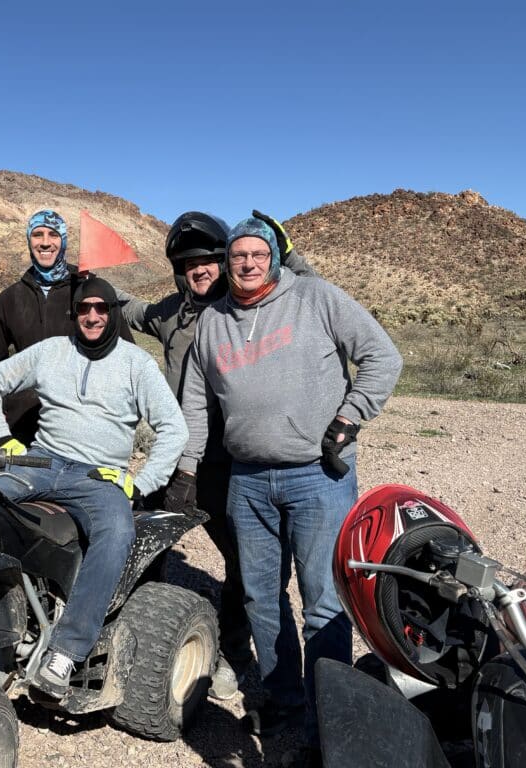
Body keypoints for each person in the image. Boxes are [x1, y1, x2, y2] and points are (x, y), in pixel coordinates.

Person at [172, 215, 402, 763]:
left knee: (323, 601)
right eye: (236, 257)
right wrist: (185, 469)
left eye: (256, 254)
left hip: (317, 476)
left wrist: (348, 421)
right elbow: (198, 402)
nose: (246, 264)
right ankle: (283, 700)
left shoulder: (317, 298)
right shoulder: (213, 320)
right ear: (226, 263)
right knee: (261, 596)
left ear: (274, 256)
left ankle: (330, 720)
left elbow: (382, 357)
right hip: (247, 479)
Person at [114, 210, 318, 700]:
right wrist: (85, 283)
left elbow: (307, 293)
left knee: (248, 562)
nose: (199, 270)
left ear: (223, 262)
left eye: (207, 260)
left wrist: (289, 253)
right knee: (144, 542)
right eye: (188, 264)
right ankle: (139, 636)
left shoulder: (247, 305)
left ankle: (230, 649)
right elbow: (128, 309)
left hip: (242, 459)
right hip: (181, 456)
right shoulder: (170, 313)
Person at [0, 276, 187, 695]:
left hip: (97, 475)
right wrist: (3, 439)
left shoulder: (135, 363)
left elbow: (173, 429)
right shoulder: (52, 351)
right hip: (40, 462)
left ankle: (66, 651)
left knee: (118, 530)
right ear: (75, 313)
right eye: (84, 308)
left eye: (101, 309)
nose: (92, 316)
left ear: (112, 313)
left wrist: (139, 485)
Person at [0, 210, 133, 446]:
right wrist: (0, 408)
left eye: (53, 235)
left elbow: (124, 351)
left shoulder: (89, 291)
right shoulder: (9, 299)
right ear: (28, 241)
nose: (45, 243)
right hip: (22, 424)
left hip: (82, 425)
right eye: (37, 235)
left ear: (63, 240)